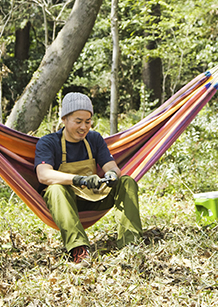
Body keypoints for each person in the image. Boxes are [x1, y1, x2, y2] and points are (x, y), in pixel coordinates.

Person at [35, 92, 142, 265]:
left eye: (88, 121)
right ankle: (79, 249)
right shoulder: (48, 142)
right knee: (55, 188)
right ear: (64, 119)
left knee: (127, 181)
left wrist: (112, 175)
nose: (83, 127)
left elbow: (112, 166)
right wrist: (78, 179)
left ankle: (131, 244)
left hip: (93, 197)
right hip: (65, 202)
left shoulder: (94, 139)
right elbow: (44, 174)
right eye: (78, 121)